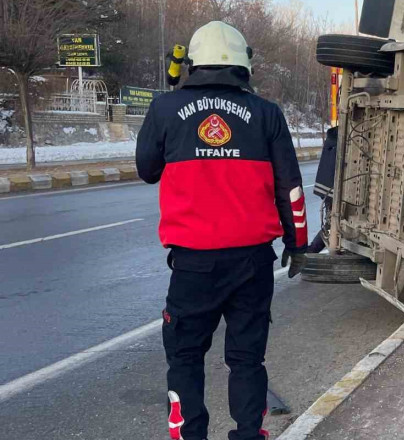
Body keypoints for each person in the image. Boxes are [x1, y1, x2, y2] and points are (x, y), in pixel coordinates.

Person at [136, 21, 307, 440]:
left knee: (185, 355)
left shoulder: (165, 108)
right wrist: (297, 243)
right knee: (247, 358)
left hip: (193, 264)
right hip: (252, 261)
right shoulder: (266, 113)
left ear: (193, 63)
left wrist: (172, 116)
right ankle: (249, 434)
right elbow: (291, 187)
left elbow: (146, 169)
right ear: (242, 65)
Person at [307, 126, 337, 254]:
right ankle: (310, 252)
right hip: (330, 189)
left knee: (331, 224)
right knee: (331, 226)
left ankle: (311, 251)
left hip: (325, 187)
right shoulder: (341, 139)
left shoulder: (334, 136)